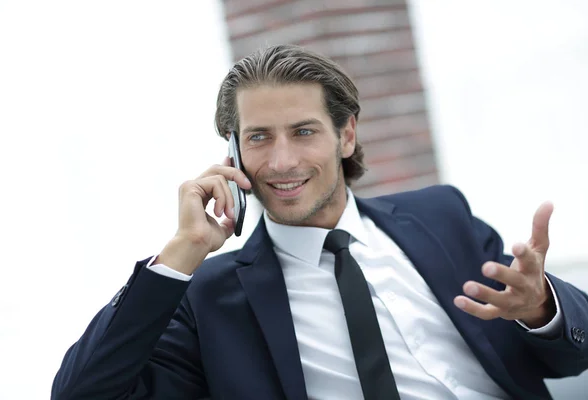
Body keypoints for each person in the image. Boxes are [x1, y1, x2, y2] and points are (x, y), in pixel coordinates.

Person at [51, 44, 588, 400]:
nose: (282, 162)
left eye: (304, 131)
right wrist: (184, 249)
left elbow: (571, 359)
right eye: (259, 137)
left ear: (346, 135)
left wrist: (542, 309)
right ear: (233, 153)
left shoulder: (440, 217)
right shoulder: (207, 302)